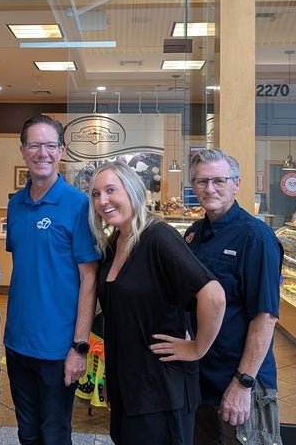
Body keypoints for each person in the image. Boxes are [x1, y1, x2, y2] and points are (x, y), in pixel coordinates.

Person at [88, 161, 225, 445]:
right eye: (96, 194)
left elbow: (213, 295)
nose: (103, 200)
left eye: (111, 190)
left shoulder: (158, 236)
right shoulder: (115, 243)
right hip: (129, 386)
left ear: (133, 191)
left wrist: (197, 348)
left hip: (161, 391)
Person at [4, 115, 100, 445]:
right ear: (22, 150)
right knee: (27, 432)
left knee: (55, 433)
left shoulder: (78, 206)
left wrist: (79, 346)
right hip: (17, 342)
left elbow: (90, 280)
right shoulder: (15, 204)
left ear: (61, 150)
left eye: (49, 145)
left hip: (59, 347)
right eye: (34, 144)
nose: (41, 152)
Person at [182, 149, 284, 445]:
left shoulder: (256, 237)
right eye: (201, 182)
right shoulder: (193, 234)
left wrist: (243, 384)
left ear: (236, 184)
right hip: (202, 379)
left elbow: (265, 317)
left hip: (240, 382)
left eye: (218, 180)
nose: (209, 188)